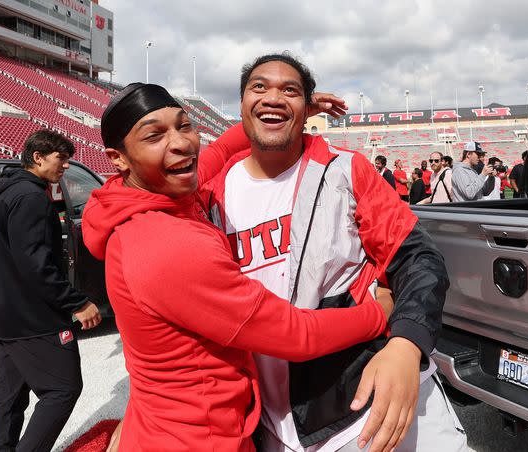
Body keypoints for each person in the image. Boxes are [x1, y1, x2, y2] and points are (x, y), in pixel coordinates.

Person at [82, 83, 392, 452]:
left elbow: (225, 147)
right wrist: (379, 313)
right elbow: (296, 334)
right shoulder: (166, 244)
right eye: (154, 135)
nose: (181, 143)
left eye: (183, 125)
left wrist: (291, 114)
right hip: (200, 438)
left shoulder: (154, 193)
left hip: (159, 422)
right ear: (118, 158)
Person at [204, 53, 465, 452]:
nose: (273, 97)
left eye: (289, 90)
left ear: (306, 108)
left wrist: (407, 343)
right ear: (240, 104)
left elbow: (418, 259)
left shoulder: (345, 169)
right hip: (273, 428)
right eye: (259, 87)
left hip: (370, 405)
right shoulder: (211, 194)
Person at [0, 130, 103, 452]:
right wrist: (76, 302)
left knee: (10, 394)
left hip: (1, 315)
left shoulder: (3, 190)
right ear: (38, 157)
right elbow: (35, 262)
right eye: (60, 159)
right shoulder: (31, 196)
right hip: (31, 318)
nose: (65, 166)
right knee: (63, 389)